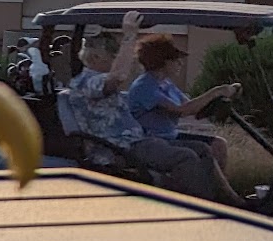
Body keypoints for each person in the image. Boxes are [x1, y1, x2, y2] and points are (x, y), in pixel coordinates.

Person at [65, 12, 242, 206]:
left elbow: (190, 107)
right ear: (96, 56)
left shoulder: (100, 82)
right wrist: (130, 35)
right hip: (119, 148)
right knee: (185, 157)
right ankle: (200, 210)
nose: (117, 61)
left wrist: (217, 96)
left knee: (203, 149)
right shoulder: (86, 82)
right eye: (114, 56)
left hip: (137, 141)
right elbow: (119, 76)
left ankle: (225, 202)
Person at [126, 34, 239, 169]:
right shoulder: (144, 87)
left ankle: (215, 182)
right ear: (161, 61)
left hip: (170, 137)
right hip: (152, 142)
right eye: (175, 59)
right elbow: (181, 110)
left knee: (219, 144)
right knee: (203, 148)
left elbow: (192, 106)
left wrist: (216, 99)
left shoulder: (166, 83)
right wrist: (216, 91)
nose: (180, 63)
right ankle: (208, 182)